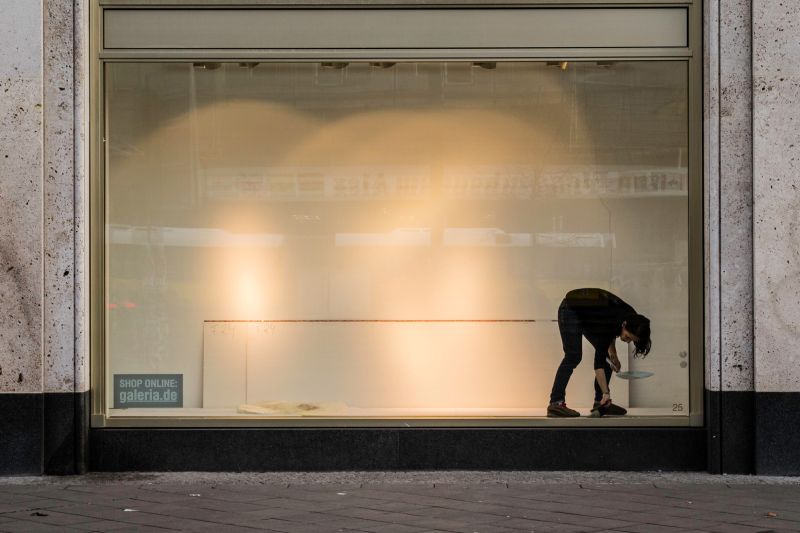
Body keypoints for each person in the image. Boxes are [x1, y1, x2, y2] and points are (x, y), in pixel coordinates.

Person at [547, 288, 651, 417]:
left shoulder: (632, 318)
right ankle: (556, 403)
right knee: (573, 355)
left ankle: (601, 403)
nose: (628, 341)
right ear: (624, 325)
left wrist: (613, 355)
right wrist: (606, 392)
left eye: (632, 340)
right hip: (570, 309)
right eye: (628, 337)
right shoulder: (611, 323)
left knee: (608, 359)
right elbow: (598, 364)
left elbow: (611, 333)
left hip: (589, 315)